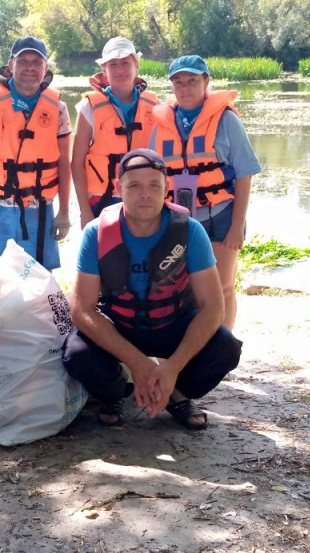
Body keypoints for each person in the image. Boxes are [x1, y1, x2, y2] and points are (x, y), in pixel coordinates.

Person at [62, 149, 242, 431]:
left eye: (153, 185)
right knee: (76, 354)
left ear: (166, 189)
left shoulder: (190, 231)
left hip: (173, 323)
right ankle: (117, 394)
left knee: (226, 348)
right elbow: (81, 309)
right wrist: (137, 363)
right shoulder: (96, 233)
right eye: (134, 185)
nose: (144, 194)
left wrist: (172, 368)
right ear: (119, 188)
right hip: (121, 324)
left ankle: (177, 394)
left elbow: (213, 307)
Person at [150, 55, 261, 330]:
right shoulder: (163, 124)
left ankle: (223, 353)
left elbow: (245, 174)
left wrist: (237, 226)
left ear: (206, 82)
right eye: (178, 82)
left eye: (192, 81)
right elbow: (152, 177)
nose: (185, 88)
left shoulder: (226, 120)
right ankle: (193, 351)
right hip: (181, 221)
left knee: (222, 288)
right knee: (187, 293)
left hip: (221, 217)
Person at [0, 36, 71, 269]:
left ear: (45, 68)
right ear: (11, 65)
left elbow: (64, 163)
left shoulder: (58, 108)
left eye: (37, 62)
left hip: (39, 210)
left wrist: (65, 212)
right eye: (23, 60)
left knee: (40, 279)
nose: (30, 67)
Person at [71, 36, 159, 228]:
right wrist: (84, 211)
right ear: (104, 70)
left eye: (125, 63)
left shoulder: (156, 107)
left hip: (143, 199)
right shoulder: (89, 107)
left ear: (137, 65)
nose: (120, 70)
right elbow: (76, 164)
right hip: (101, 201)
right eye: (113, 64)